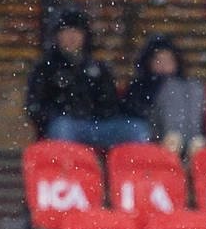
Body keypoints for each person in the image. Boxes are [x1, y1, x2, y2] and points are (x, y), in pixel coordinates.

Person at [24, 8, 150, 149]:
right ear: (57, 36)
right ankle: (68, 169)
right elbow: (35, 106)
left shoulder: (97, 68)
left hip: (99, 125)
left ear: (85, 36)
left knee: (137, 129)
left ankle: (135, 169)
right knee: (62, 128)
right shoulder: (46, 68)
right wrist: (60, 113)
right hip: (67, 126)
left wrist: (102, 111)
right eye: (66, 31)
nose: (71, 37)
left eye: (76, 31)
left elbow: (111, 103)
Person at [121, 34, 205, 154]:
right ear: (149, 62)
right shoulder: (140, 85)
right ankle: (175, 141)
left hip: (188, 133)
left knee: (193, 86)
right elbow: (135, 111)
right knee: (171, 88)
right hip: (155, 131)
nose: (164, 65)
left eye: (168, 60)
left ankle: (191, 143)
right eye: (159, 60)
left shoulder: (189, 86)